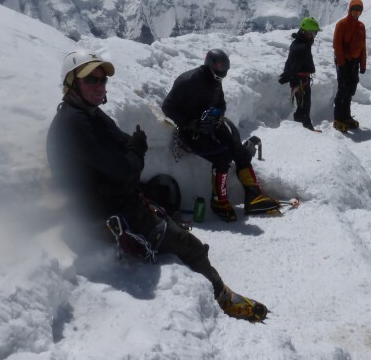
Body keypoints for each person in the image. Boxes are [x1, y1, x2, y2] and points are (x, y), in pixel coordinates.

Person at [47, 50, 267, 322]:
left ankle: (180, 248)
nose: (99, 85)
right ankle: (223, 298)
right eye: (90, 79)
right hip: (107, 215)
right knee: (191, 246)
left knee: (166, 205)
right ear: (71, 83)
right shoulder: (76, 125)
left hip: (111, 200)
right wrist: (136, 150)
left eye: (102, 80)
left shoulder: (87, 115)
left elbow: (122, 142)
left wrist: (131, 150)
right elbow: (127, 167)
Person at [162, 49, 280, 222]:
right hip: (190, 132)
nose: (220, 78)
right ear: (209, 66)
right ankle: (219, 203)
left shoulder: (215, 81)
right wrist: (191, 123)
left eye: (223, 75)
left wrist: (217, 114)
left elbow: (221, 103)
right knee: (222, 157)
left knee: (238, 151)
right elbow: (168, 107)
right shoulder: (187, 81)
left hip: (212, 125)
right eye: (218, 75)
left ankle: (253, 197)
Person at [279, 17, 320, 131]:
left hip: (299, 80)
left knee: (303, 106)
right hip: (300, 81)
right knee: (304, 107)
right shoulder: (302, 46)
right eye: (312, 33)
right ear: (305, 32)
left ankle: (304, 127)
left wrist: (287, 75)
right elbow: (295, 65)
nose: (314, 36)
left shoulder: (299, 43)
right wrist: (288, 75)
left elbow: (290, 62)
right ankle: (304, 129)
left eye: (315, 33)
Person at [332, 0, 367, 130]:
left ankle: (346, 117)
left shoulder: (361, 26)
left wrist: (363, 64)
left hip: (355, 63)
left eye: (359, 12)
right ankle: (337, 118)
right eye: (354, 11)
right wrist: (341, 63)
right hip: (344, 63)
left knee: (350, 90)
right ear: (350, 10)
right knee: (343, 89)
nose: (356, 14)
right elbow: (337, 45)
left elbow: (363, 47)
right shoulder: (342, 24)